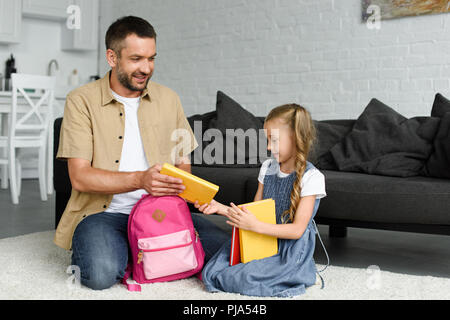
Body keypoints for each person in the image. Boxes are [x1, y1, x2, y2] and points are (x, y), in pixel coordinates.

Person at [55, 16, 229, 290]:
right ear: (112, 58)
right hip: (105, 214)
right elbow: (80, 177)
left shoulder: (168, 98)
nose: (146, 68)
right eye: (136, 59)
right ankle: (138, 250)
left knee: (231, 250)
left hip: (160, 212)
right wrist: (140, 180)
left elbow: (183, 161)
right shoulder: (81, 100)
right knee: (99, 275)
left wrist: (180, 185)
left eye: (151, 58)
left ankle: (141, 249)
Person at [194, 104, 328, 297]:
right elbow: (253, 213)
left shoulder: (312, 177)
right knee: (213, 271)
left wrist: (255, 226)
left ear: (295, 138)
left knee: (239, 278)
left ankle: (303, 273)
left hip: (288, 253)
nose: (268, 147)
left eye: (273, 140)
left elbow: (297, 230)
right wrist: (220, 208)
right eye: (267, 140)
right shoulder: (268, 168)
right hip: (260, 242)